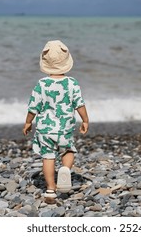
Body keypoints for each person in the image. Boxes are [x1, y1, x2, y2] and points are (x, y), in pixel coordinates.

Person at [22, 40, 89, 204]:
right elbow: (79, 103)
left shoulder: (42, 84)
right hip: (64, 128)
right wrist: (85, 120)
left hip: (45, 129)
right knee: (68, 151)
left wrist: (28, 123)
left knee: (48, 157)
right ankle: (65, 169)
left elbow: (33, 107)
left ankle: (51, 189)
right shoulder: (72, 83)